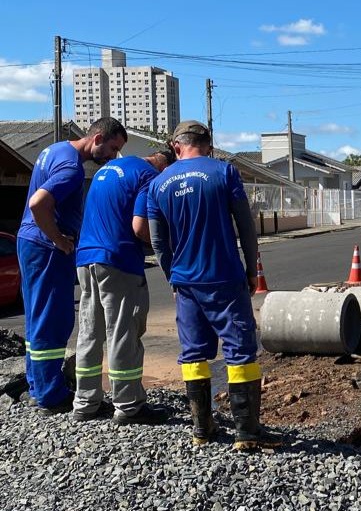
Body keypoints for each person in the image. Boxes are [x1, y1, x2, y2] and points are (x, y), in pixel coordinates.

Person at [147, 120, 281, 450]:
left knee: (193, 354)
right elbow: (246, 226)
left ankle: (202, 430)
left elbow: (158, 241)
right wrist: (252, 270)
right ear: (208, 144)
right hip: (225, 278)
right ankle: (246, 433)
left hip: (186, 282)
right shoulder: (224, 173)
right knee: (240, 352)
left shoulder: (158, 184)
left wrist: (172, 276)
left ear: (176, 146)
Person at [17, 118, 128, 415]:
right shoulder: (72, 168)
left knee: (37, 317)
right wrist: (59, 239)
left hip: (30, 243)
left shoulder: (54, 150)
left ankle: (38, 385)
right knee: (53, 320)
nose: (111, 156)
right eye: (112, 148)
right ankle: (51, 397)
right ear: (98, 138)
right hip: (45, 247)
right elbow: (38, 203)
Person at [72, 149, 177, 425]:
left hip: (86, 258)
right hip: (118, 260)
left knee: (90, 330)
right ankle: (129, 405)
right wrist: (165, 244)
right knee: (122, 330)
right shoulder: (149, 176)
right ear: (165, 166)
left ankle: (86, 402)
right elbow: (140, 227)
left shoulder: (107, 171)